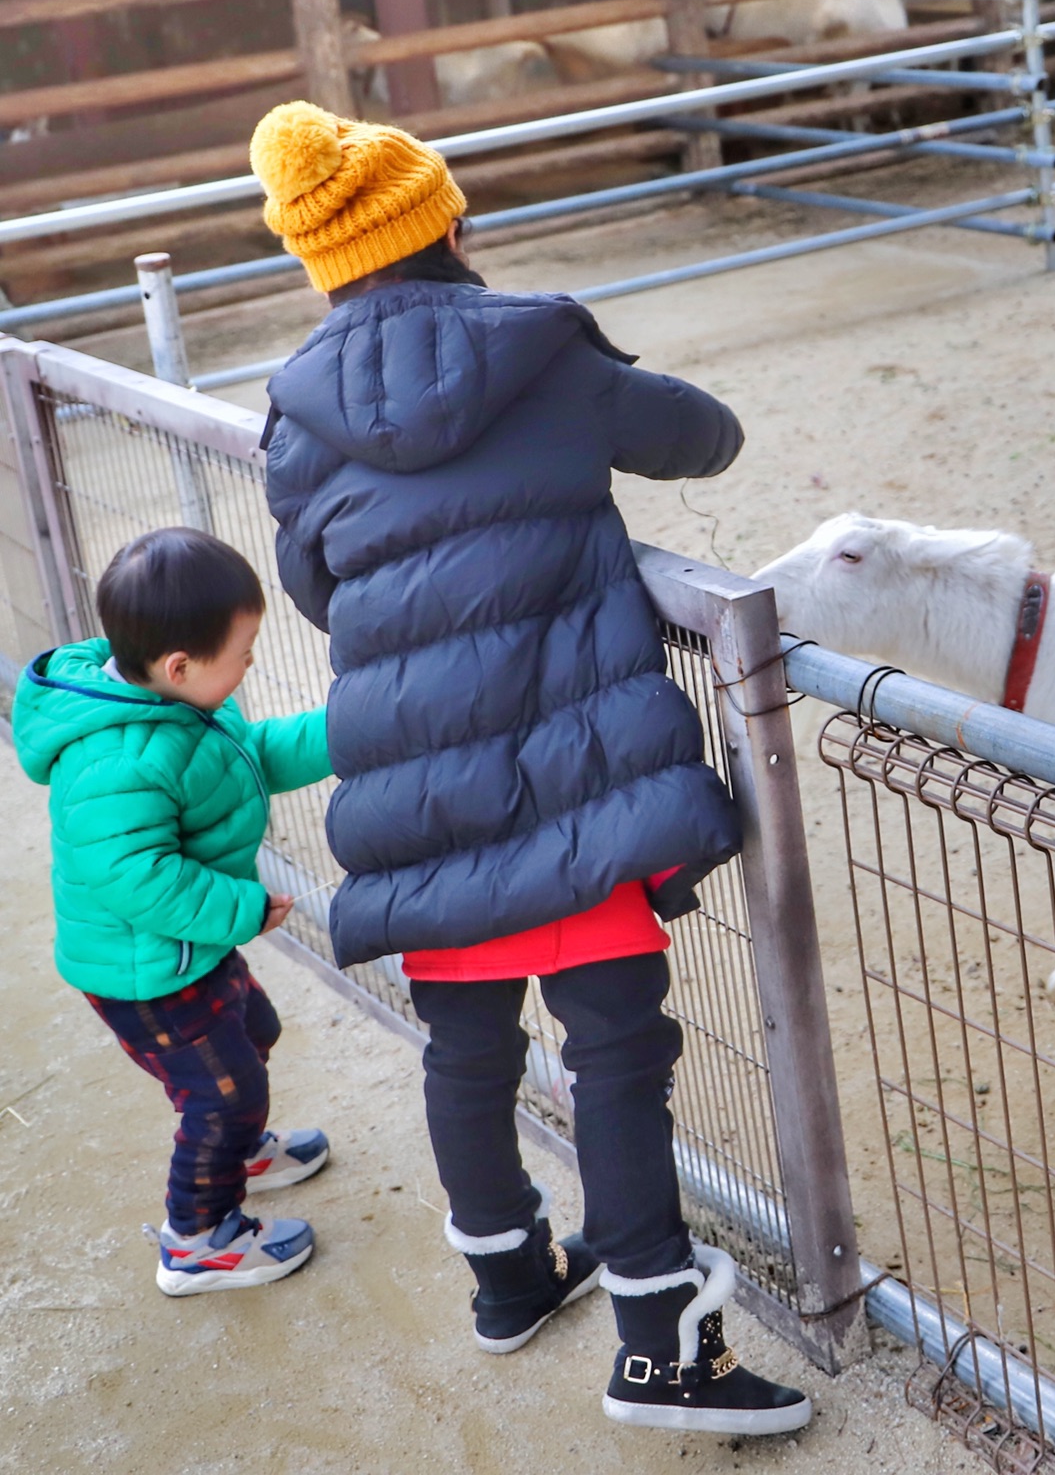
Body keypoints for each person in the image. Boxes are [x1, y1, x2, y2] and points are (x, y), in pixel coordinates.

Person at [251, 99, 810, 1434]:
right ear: (447, 222)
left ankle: (507, 1281)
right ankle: (663, 1352)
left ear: (322, 265)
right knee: (615, 1050)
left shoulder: (294, 409)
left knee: (466, 1047)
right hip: (574, 776)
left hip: (421, 786)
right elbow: (703, 435)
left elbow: (315, 586)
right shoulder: (541, 350)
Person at [12, 528, 334, 1295]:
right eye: (246, 651)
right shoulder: (117, 759)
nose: (252, 664)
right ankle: (197, 1240)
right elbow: (136, 878)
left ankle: (238, 1146)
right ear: (181, 665)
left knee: (255, 1033)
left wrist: (345, 731)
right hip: (143, 970)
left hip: (183, 951)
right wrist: (245, 908)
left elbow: (252, 755)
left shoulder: (175, 702)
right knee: (221, 1091)